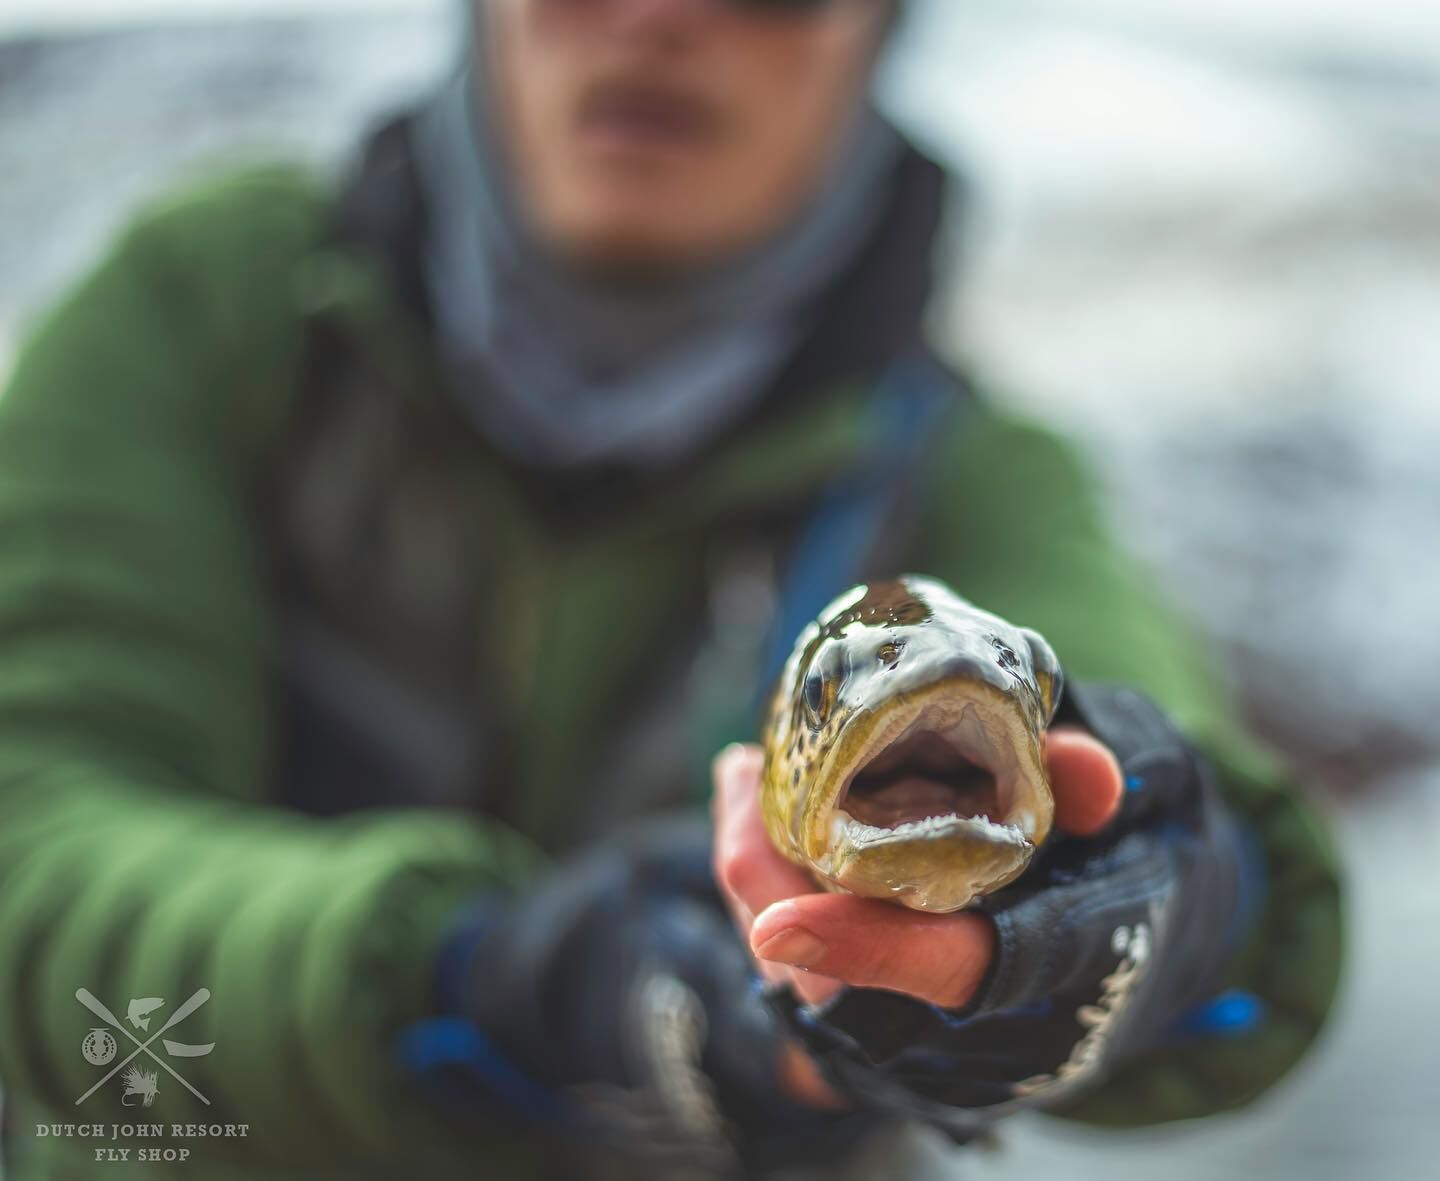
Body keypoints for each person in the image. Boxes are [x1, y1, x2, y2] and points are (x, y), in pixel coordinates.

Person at [0, 1, 1342, 1178]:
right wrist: (486, 981)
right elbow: (34, 846)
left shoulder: (986, 474)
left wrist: (1141, 913)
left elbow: (1211, 872)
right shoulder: (200, 314)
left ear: (879, 29)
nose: (660, 14)